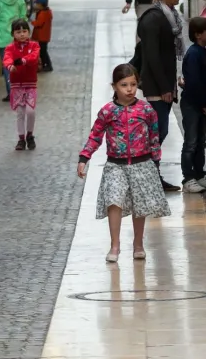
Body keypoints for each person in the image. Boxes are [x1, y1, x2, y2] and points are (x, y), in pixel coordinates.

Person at [78, 64, 171, 263]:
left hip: (142, 163)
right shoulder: (108, 112)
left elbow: (154, 136)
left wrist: (156, 161)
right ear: (114, 87)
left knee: (140, 205)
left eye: (133, 84)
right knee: (114, 200)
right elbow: (95, 135)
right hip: (115, 165)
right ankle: (115, 245)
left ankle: (138, 244)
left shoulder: (146, 109)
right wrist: (84, 157)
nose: (129, 89)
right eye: (124, 85)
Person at [132, 0, 185, 192]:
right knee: (157, 131)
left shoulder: (168, 16)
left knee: (158, 131)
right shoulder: (154, 18)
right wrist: (165, 87)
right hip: (156, 86)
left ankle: (151, 175)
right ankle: (148, 175)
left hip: (164, 83)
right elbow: (152, 56)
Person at [179, 16, 206, 193]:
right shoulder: (194, 53)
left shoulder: (202, 51)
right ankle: (188, 177)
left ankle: (200, 174)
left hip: (200, 104)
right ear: (198, 34)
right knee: (191, 142)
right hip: (192, 104)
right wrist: (202, 103)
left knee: (200, 141)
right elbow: (194, 82)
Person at [4, 19, 42, 150]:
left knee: (30, 111)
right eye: (18, 31)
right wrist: (10, 67)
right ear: (13, 34)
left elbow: (34, 57)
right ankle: (21, 139)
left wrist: (24, 60)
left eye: (24, 31)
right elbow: (7, 59)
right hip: (17, 85)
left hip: (30, 83)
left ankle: (30, 135)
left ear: (29, 32)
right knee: (20, 112)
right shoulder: (10, 48)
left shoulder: (34, 46)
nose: (22, 34)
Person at [31, 0, 54, 73]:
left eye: (37, 4)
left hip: (42, 37)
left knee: (43, 52)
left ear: (41, 5)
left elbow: (38, 23)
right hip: (44, 36)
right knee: (42, 51)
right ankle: (44, 65)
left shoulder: (43, 14)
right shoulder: (47, 12)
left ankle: (48, 65)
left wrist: (31, 22)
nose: (36, 5)